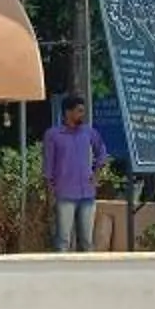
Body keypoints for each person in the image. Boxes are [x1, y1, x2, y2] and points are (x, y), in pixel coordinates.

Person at [42, 93, 107, 252]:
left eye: (83, 111)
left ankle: (88, 274)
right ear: (68, 112)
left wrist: (96, 174)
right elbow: (48, 165)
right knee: (63, 239)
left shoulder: (88, 132)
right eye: (78, 111)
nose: (82, 115)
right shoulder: (53, 135)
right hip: (64, 193)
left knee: (86, 240)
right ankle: (61, 274)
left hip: (87, 193)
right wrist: (49, 193)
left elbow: (102, 152)